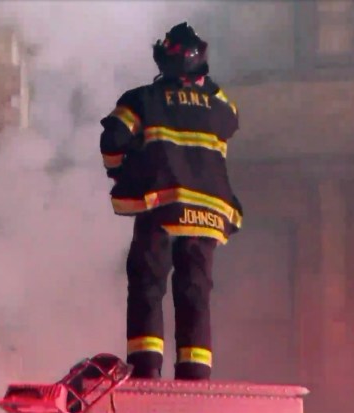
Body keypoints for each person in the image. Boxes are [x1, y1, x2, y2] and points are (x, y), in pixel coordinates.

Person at [99, 22, 242, 380]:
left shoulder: (143, 99)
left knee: (148, 282)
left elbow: (113, 137)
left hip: (161, 204)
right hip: (210, 212)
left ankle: (146, 370)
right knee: (196, 289)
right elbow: (230, 117)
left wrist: (120, 173)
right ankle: (195, 373)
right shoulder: (221, 104)